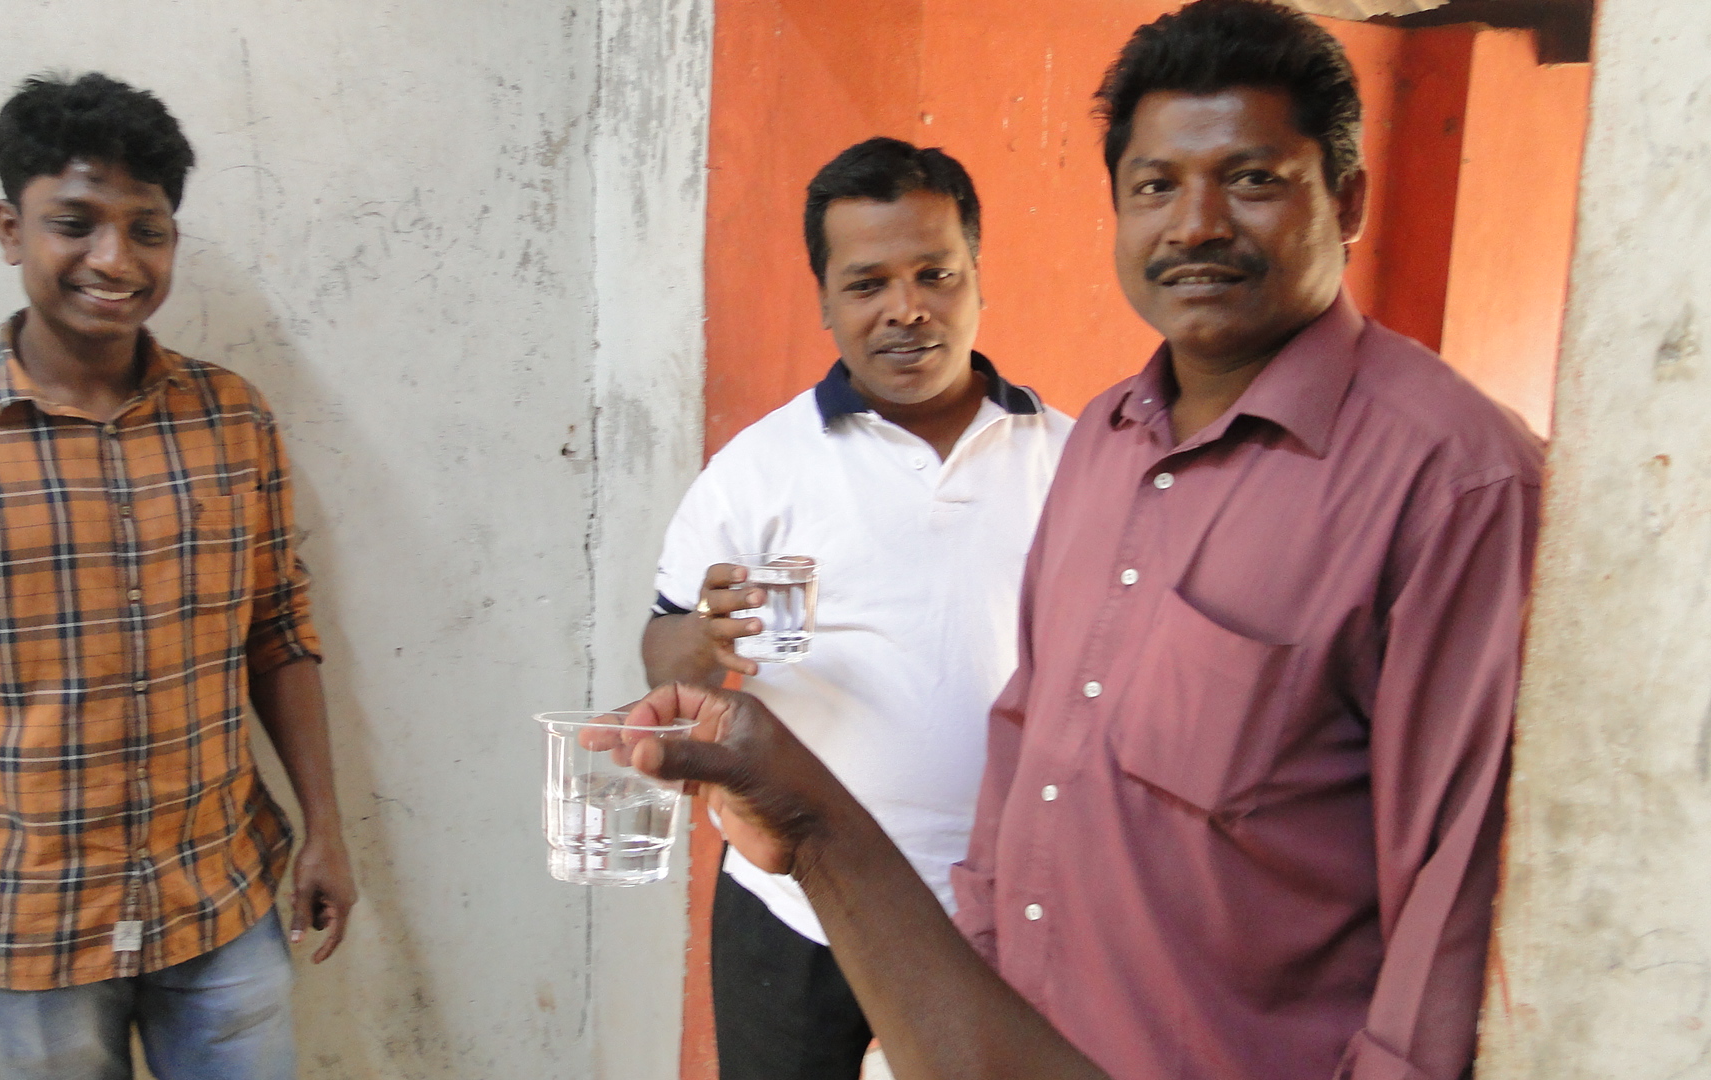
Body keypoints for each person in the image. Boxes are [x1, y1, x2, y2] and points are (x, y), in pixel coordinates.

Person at [650, 3, 1543, 1080]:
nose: (1196, 225)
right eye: (1156, 185)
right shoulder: (1110, 446)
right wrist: (973, 996)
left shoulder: (1452, 482)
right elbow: (1032, 741)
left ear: (1345, 199)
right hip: (958, 999)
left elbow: (1461, 887)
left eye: (1251, 179)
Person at [0, 73, 356, 1080]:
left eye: (147, 230)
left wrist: (325, 829)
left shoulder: (231, 418)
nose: (115, 259)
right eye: (75, 223)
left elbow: (278, 633)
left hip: (219, 897)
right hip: (26, 928)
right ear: (10, 230)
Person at [642, 137, 1071, 1079]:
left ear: (977, 276)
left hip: (1007, 908)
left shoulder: (1075, 462)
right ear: (826, 303)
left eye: (935, 274)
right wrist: (704, 641)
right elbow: (664, 654)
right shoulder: (757, 471)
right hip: (796, 897)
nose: (905, 308)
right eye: (867, 283)